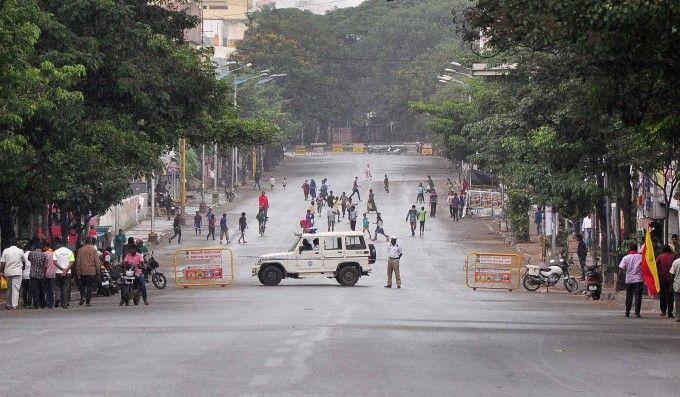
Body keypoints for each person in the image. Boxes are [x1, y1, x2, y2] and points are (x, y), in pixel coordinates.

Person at [619, 242, 643, 318]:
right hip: (638, 279)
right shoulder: (641, 257)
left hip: (629, 280)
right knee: (638, 296)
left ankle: (627, 312)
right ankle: (637, 313)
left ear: (629, 248)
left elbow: (621, 268)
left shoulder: (625, 258)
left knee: (629, 296)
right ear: (636, 248)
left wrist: (619, 279)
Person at [0, 240, 25, 310]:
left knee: (8, 289)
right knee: (16, 289)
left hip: (8, 272)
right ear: (16, 245)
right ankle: (15, 305)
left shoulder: (5, 251)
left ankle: (8, 304)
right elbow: (24, 261)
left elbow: (2, 263)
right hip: (17, 272)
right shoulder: (20, 251)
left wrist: (1, 271)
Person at [76, 237, 99, 307]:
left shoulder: (80, 250)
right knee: (90, 286)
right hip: (91, 271)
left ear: (84, 242)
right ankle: (88, 302)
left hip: (83, 271)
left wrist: (78, 271)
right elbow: (97, 262)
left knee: (83, 285)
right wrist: (98, 272)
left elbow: (78, 262)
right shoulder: (94, 250)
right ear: (90, 242)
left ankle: (83, 296)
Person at [52, 239, 74, 309]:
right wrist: (66, 269)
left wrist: (61, 269)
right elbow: (72, 261)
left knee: (57, 287)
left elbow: (54, 262)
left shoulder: (56, 252)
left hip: (58, 272)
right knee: (65, 288)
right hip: (68, 273)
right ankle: (64, 304)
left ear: (60, 244)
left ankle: (58, 298)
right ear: (66, 245)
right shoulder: (70, 252)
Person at [656, 245, 675, 318]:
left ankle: (663, 311)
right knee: (670, 295)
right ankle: (670, 312)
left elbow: (655, 265)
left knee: (663, 295)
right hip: (671, 279)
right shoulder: (673, 257)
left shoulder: (660, 257)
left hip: (662, 278)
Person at [28, 243, 47, 309]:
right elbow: (45, 265)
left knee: (34, 289)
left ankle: (35, 304)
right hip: (41, 274)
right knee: (41, 289)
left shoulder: (31, 253)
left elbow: (29, 260)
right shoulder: (44, 255)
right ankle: (42, 304)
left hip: (33, 274)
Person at [43, 243, 55, 309]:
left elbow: (44, 265)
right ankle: (52, 302)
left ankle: (48, 303)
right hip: (53, 273)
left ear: (46, 247)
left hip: (47, 273)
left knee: (47, 289)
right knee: (52, 288)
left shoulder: (45, 254)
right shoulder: (54, 253)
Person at [668, 256, 680, 322]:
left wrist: (671, 285)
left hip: (677, 285)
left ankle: (678, 317)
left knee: (678, 302)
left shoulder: (676, 262)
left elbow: (672, 274)